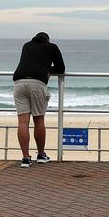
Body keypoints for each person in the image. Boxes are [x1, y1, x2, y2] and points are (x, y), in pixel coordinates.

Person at [13, 32, 65, 168]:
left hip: (19, 83)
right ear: (47, 40)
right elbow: (61, 68)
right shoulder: (51, 47)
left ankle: (25, 158)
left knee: (23, 123)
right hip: (37, 83)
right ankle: (41, 155)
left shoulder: (26, 46)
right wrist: (46, 69)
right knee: (39, 120)